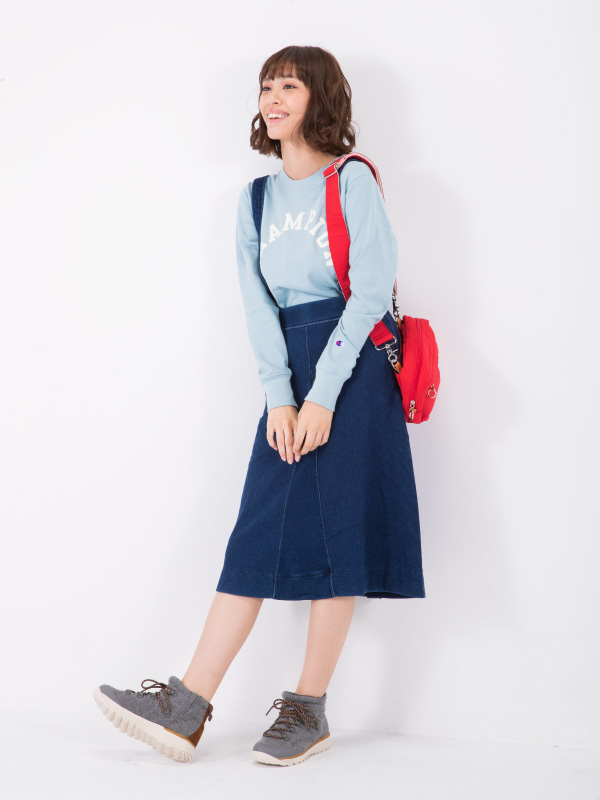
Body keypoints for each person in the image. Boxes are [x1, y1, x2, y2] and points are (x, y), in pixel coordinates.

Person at [93, 44, 425, 768]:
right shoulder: (253, 199)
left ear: (320, 98)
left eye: (289, 86)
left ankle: (309, 709)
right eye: (267, 86)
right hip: (291, 371)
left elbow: (371, 291)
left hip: (353, 367)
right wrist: (280, 396)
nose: (273, 98)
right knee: (257, 531)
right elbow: (256, 305)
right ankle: (186, 706)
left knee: (340, 536)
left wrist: (323, 395)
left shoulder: (351, 180)